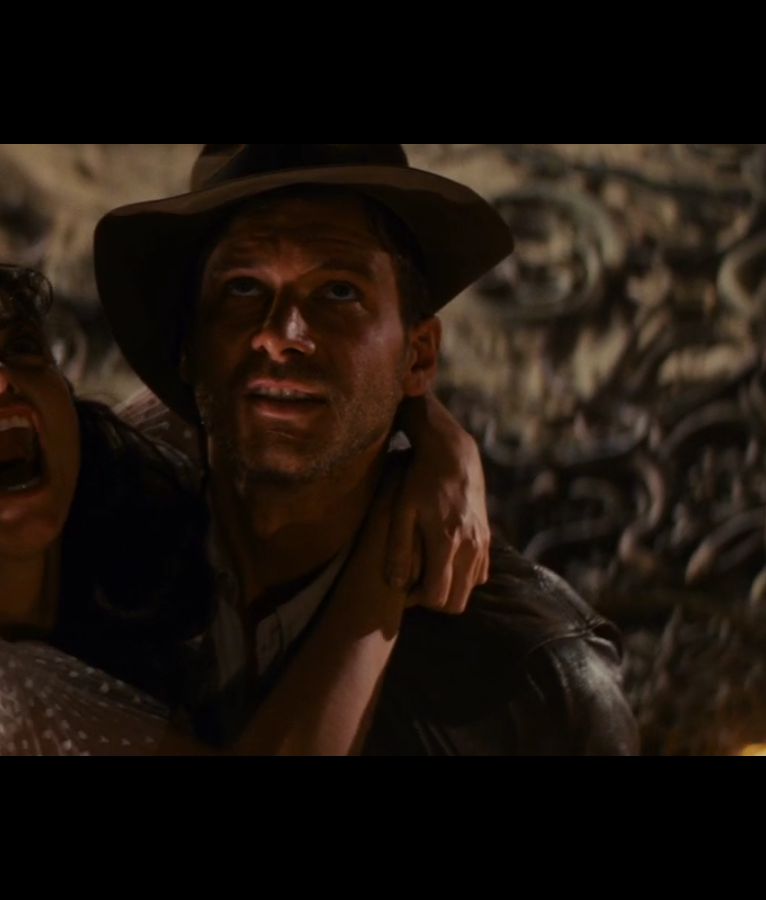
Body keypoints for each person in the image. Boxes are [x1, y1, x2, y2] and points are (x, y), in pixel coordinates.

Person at [0, 260, 487, 755]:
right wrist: (391, 545)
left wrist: (438, 436)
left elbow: (267, 382)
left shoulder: (99, 467)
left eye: (21, 348)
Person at [94, 143, 641, 754]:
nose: (281, 334)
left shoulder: (535, 677)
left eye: (338, 292)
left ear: (419, 356)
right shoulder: (97, 576)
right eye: (244, 287)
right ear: (187, 346)